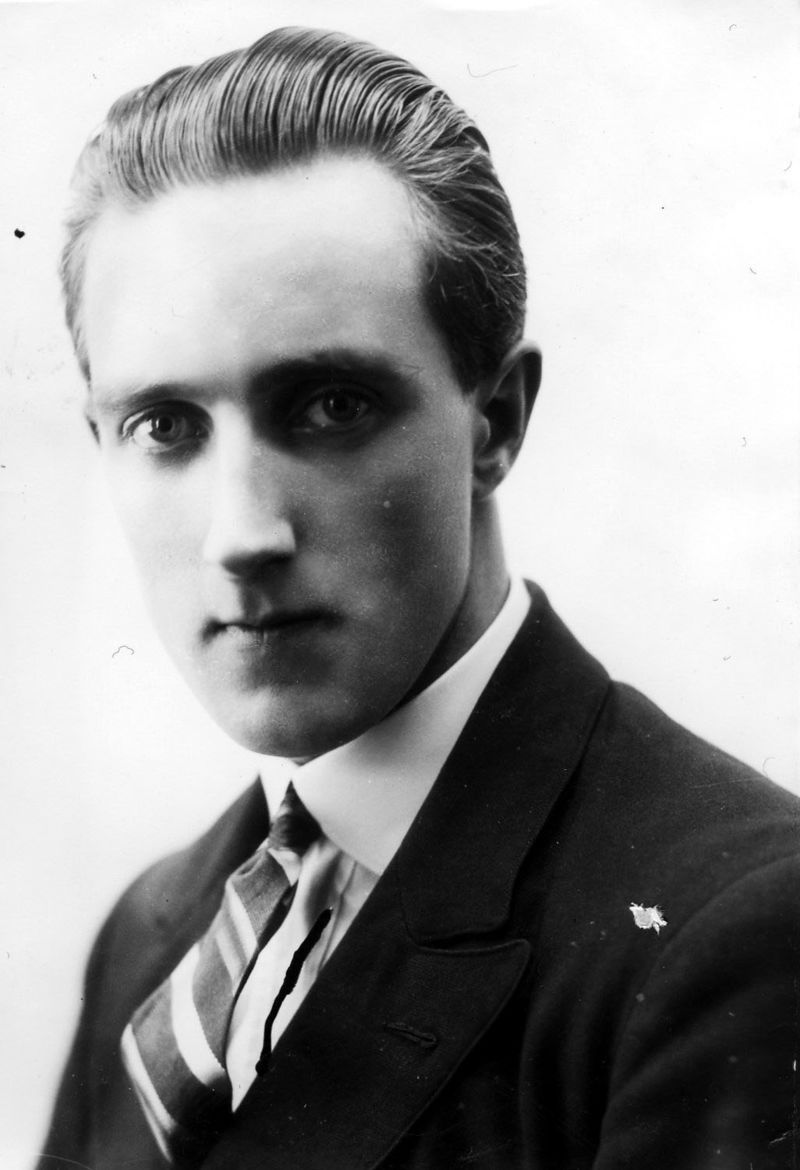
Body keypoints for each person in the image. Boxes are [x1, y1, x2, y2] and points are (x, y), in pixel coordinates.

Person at [38, 25, 798, 1170]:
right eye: (164, 426)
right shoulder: (152, 937)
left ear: (495, 423)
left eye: (331, 406)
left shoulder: (733, 934)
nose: (242, 534)